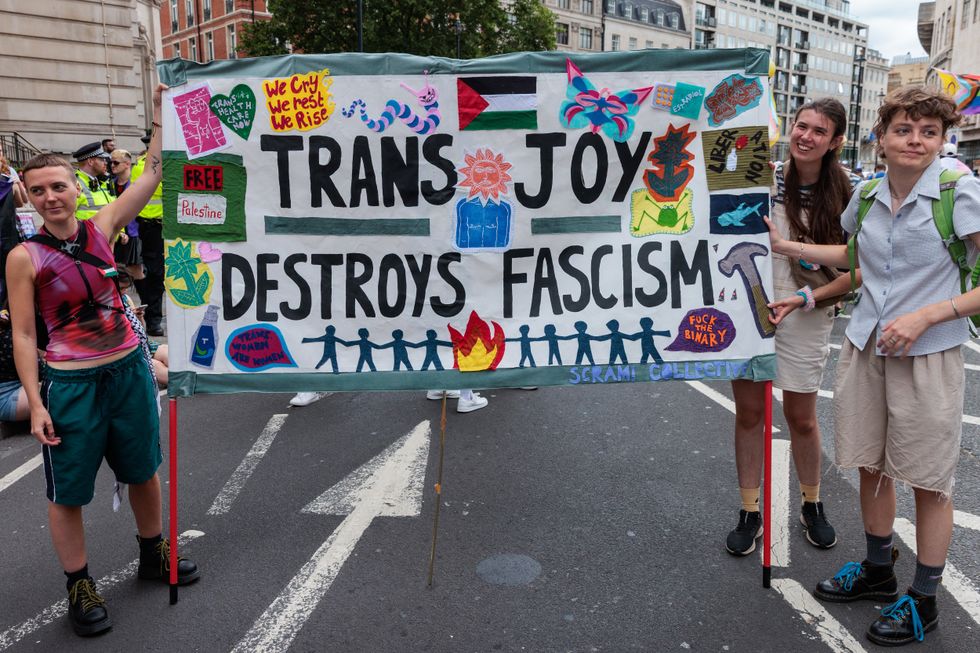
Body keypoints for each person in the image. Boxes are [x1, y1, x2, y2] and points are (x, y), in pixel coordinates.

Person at [766, 85, 980, 646]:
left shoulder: (957, 192)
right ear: (880, 138)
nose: (915, 140)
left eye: (928, 132)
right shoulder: (866, 195)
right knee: (871, 466)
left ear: (941, 139)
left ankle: (925, 599)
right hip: (866, 344)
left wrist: (929, 315)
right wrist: (790, 252)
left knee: (930, 483)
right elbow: (856, 261)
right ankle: (879, 572)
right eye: (903, 130)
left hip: (927, 354)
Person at [6, 83, 200, 638]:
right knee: (68, 491)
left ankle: (152, 553)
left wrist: (161, 117)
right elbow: (23, 334)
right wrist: (37, 401)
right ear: (29, 196)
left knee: (143, 470)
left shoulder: (103, 227)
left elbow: (153, 173)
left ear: (74, 186)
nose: (50, 197)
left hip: (128, 372)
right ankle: (80, 585)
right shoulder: (25, 258)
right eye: (38, 190)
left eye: (58, 186)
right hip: (70, 386)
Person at [725, 98, 853, 557]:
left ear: (835, 141)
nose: (806, 136)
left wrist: (805, 295)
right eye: (802, 126)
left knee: (801, 417)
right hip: (747, 302)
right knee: (749, 414)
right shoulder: (762, 175)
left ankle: (812, 503)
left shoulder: (845, 192)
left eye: (819, 131)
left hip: (805, 309)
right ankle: (749, 510)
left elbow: (858, 269)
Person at [130, 138, 164, 336]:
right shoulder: (145, 165)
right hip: (153, 226)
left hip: (159, 227)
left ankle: (152, 314)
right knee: (155, 274)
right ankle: (153, 318)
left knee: (156, 273)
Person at [109, 149, 143, 281]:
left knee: (135, 271)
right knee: (115, 269)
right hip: (115, 231)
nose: (112, 165)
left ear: (127, 164)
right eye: (111, 162)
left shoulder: (137, 183)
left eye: (116, 163)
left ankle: (145, 298)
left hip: (134, 232)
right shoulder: (110, 183)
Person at [71, 142, 114, 220]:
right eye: (102, 159)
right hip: (87, 232)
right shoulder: (74, 184)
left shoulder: (101, 181)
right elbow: (68, 219)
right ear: (90, 162)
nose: (105, 163)